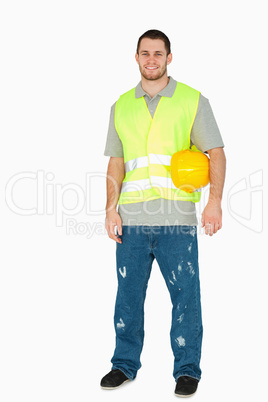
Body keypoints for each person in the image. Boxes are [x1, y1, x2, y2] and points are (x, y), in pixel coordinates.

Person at [101, 29, 226, 397]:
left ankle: (187, 371)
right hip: (132, 221)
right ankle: (123, 365)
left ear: (169, 57)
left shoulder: (192, 100)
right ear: (136, 57)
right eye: (145, 53)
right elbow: (116, 163)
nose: (151, 59)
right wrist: (110, 210)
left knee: (186, 296)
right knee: (127, 297)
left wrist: (214, 201)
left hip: (176, 220)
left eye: (158, 53)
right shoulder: (121, 105)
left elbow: (215, 153)